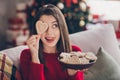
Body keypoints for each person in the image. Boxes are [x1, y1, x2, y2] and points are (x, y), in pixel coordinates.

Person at [20, 4, 84, 80]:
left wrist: (72, 73)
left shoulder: (75, 52)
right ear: (37, 28)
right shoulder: (26, 55)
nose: (49, 32)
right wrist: (35, 56)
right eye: (44, 26)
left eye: (55, 26)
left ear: (61, 28)